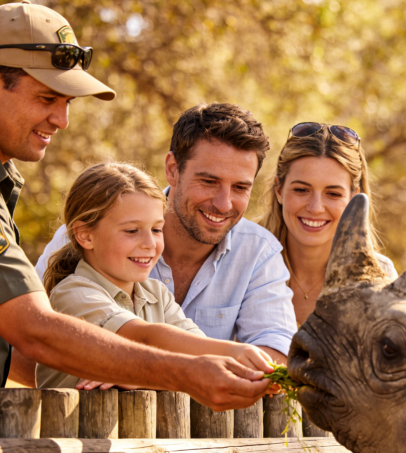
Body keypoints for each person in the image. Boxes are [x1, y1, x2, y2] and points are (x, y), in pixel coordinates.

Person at [0, 2, 273, 411]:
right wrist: (184, 374)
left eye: (68, 102)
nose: (62, 120)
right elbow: (34, 331)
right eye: (46, 98)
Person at [34, 103, 297, 382]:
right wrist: (152, 372)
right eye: (209, 181)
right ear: (173, 169)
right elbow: (148, 337)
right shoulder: (77, 276)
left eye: (240, 187)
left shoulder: (157, 291)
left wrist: (138, 374)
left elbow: (271, 349)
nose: (224, 203)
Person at [37, 161, 274, 389]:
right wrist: (235, 352)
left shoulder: (156, 294)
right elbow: (143, 339)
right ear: (85, 235)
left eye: (156, 229)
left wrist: (142, 377)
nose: (150, 243)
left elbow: (197, 348)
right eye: (132, 231)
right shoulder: (73, 293)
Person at [257, 122, 396, 326]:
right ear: (279, 190)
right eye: (301, 190)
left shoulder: (379, 276)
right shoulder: (244, 260)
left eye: (333, 194)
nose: (315, 208)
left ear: (353, 198)